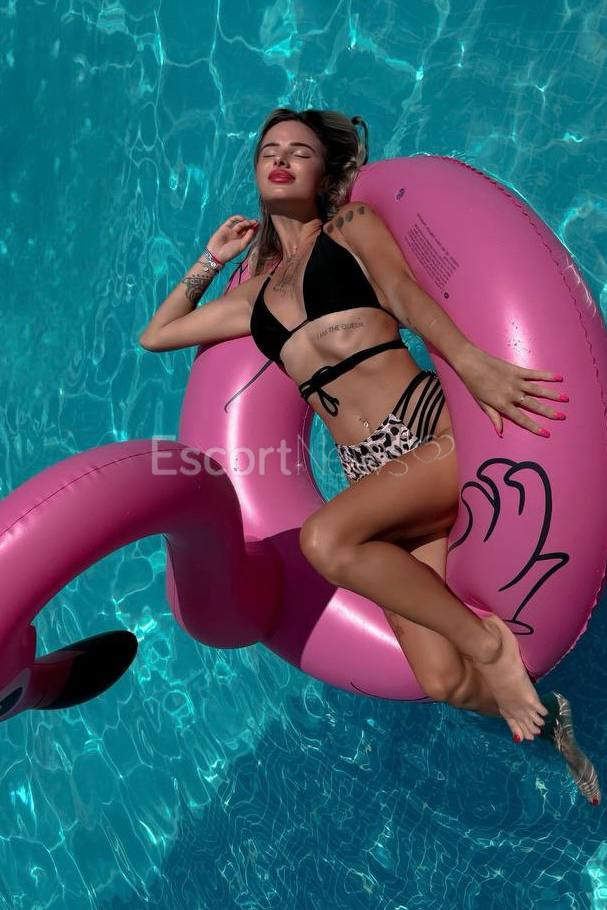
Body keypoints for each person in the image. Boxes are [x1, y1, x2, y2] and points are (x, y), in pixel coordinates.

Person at [139, 108, 599, 805]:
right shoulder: (255, 301)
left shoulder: (349, 231)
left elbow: (406, 296)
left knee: (325, 538)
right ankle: (554, 723)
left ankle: (490, 646)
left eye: (300, 151)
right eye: (269, 151)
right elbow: (157, 334)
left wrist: (472, 363)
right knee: (441, 683)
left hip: (430, 437)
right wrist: (212, 259)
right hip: (375, 483)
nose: (282, 160)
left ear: (323, 172)